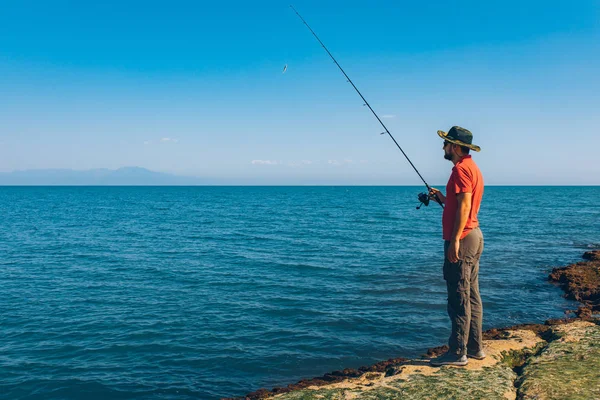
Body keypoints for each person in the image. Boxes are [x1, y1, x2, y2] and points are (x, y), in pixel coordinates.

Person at [429, 126, 485, 367]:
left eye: (445, 144)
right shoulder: (471, 168)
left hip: (463, 238)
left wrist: (455, 241)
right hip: (473, 235)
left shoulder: (461, 170)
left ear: (453, 146)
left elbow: (464, 207)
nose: (443, 148)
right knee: (471, 295)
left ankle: (457, 353)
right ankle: (474, 348)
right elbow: (459, 203)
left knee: (458, 297)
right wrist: (441, 198)